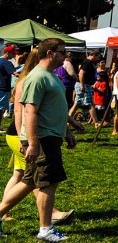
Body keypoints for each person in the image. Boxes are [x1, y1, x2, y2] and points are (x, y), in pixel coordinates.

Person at [0, 39, 85, 242]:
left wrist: (67, 132)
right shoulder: (37, 77)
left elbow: (55, 109)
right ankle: (45, 229)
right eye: (62, 52)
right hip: (43, 138)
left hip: (51, 137)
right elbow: (29, 111)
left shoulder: (51, 76)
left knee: (29, 182)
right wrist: (32, 142)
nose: (66, 56)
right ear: (50, 53)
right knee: (48, 182)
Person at [0, 46, 19, 119]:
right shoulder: (7, 63)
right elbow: (15, 74)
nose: (14, 55)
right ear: (7, 53)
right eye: (13, 54)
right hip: (3, 89)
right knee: (1, 109)